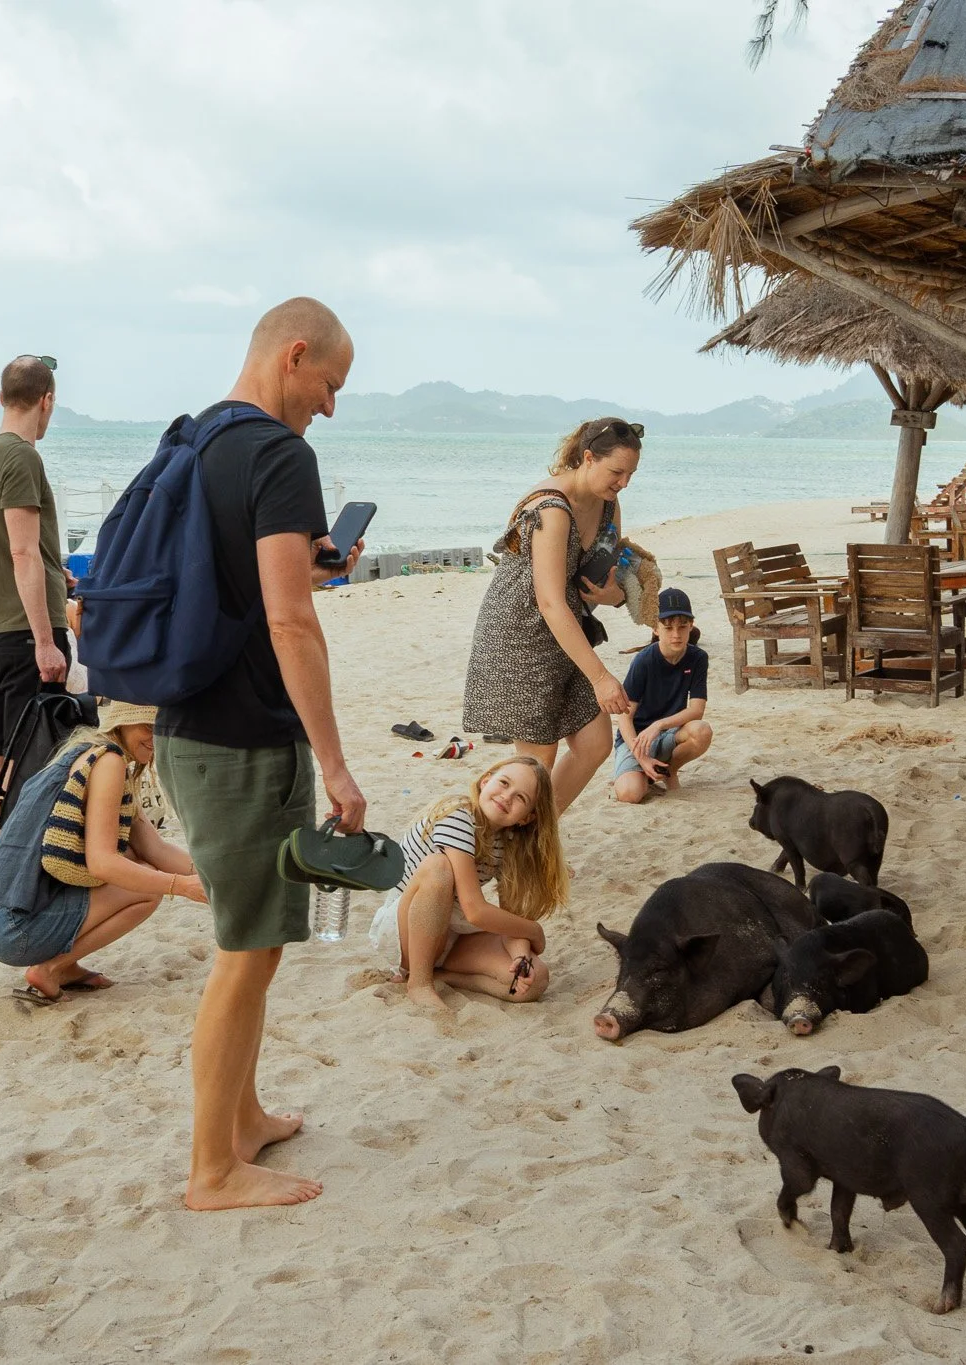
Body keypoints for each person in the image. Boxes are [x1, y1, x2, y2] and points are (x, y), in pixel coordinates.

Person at [152, 296, 365, 1212]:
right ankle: (211, 1170)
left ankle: (241, 1121)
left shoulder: (194, 440)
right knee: (245, 950)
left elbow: (242, 582)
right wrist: (338, 763)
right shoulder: (282, 455)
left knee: (256, 940)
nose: (329, 405)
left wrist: (306, 562)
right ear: (294, 354)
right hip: (242, 739)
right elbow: (289, 619)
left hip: (184, 727)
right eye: (329, 384)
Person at [0, 702, 202, 1003]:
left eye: (164, 731)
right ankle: (52, 968)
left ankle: (65, 967)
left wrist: (214, 879)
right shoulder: (109, 762)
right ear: (122, 724)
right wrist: (180, 887)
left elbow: (154, 848)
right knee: (147, 887)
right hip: (11, 925)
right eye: (149, 727)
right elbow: (102, 863)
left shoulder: (86, 751)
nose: (156, 739)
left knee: (139, 862)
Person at [462, 417, 642, 810]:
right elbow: (549, 602)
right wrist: (601, 677)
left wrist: (613, 594)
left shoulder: (609, 504)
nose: (623, 482)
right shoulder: (551, 509)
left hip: (567, 631)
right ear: (588, 458)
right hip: (520, 634)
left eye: (630, 474)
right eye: (617, 471)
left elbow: (602, 584)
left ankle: (535, 841)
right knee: (534, 765)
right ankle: (517, 856)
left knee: (593, 744)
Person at [0, 355, 70, 867]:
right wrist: (46, 641)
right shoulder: (22, 458)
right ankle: (18, 878)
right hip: (27, 635)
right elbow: (21, 553)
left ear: (1, 397)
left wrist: (51, 570)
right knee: (35, 768)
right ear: (46, 401)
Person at [369, 755, 567, 1011]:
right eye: (504, 783)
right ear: (486, 781)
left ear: (526, 818)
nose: (507, 796)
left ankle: (444, 976)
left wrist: (520, 955)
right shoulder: (459, 816)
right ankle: (419, 981)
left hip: (452, 932)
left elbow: (508, 917)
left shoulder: (508, 842)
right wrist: (534, 931)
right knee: (437, 867)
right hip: (407, 929)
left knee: (534, 979)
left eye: (521, 798)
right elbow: (474, 910)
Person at [611, 588, 715, 804]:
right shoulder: (644, 660)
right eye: (668, 628)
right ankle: (643, 771)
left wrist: (658, 725)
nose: (676, 634)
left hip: (669, 732)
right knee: (630, 794)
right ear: (655, 628)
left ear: (691, 626)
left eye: (682, 627)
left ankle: (669, 771)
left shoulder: (698, 658)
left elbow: (697, 710)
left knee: (702, 731)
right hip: (637, 737)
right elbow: (624, 717)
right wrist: (641, 757)